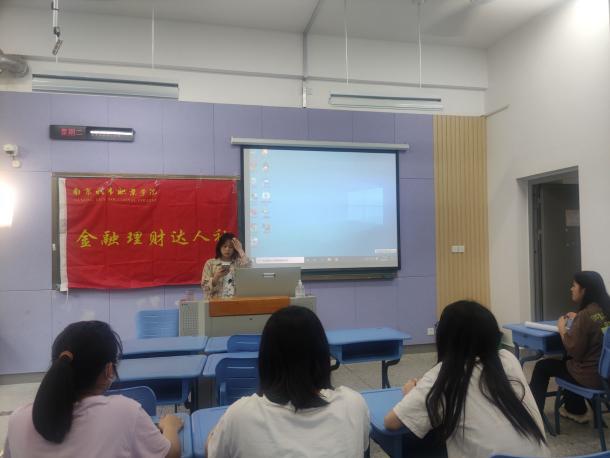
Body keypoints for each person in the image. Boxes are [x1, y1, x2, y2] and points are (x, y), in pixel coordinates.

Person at [384, 300, 549, 458]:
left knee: (411, 444)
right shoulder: (508, 358)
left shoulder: (445, 373)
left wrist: (410, 394)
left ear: (447, 338)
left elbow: (391, 422)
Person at [206, 306, 370, 457]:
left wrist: (215, 434)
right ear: (322, 355)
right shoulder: (354, 404)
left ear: (266, 359)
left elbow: (212, 451)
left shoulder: (239, 417)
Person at [3, 321, 183, 458]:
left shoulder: (17, 420)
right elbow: (171, 454)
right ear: (109, 370)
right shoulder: (125, 413)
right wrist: (170, 427)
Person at [530, 271, 610, 423]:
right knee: (566, 362)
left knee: (542, 366)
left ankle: (533, 417)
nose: (571, 289)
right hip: (606, 375)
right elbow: (599, 329)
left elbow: (574, 350)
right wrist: (578, 318)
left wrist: (562, 329)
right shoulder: (604, 310)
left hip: (590, 376)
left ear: (584, 290)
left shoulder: (586, 315)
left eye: (574, 286)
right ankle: (574, 408)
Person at [201, 232, 250, 298]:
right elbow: (205, 288)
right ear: (219, 247)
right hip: (216, 301)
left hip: (236, 301)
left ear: (234, 249)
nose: (227, 249)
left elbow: (249, 270)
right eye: (224, 246)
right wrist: (216, 277)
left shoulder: (238, 262)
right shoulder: (210, 263)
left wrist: (240, 249)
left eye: (231, 247)